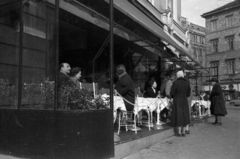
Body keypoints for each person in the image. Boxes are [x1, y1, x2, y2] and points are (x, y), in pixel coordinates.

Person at [170, 70, 191, 137]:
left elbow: (172, 93)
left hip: (177, 100)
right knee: (185, 115)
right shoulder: (187, 82)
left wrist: (174, 96)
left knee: (178, 115)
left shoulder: (175, 82)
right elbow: (188, 93)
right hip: (184, 99)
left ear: (177, 75)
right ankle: (184, 131)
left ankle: (179, 132)